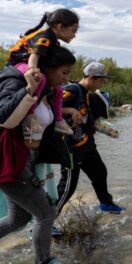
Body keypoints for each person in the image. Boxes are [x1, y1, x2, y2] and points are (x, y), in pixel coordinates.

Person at [0, 46, 76, 264]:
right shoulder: (18, 82)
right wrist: (28, 90)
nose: (66, 78)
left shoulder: (49, 92)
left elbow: (45, 125)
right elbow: (4, 118)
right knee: (46, 213)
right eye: (64, 72)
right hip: (9, 161)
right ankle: (44, 261)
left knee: (18, 218)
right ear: (48, 68)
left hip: (23, 160)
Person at [56, 62, 125, 215]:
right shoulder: (72, 90)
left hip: (86, 144)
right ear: (92, 78)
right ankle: (44, 222)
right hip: (71, 147)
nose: (103, 83)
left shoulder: (86, 92)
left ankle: (106, 204)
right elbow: (50, 106)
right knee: (68, 186)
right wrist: (71, 110)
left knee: (100, 172)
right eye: (102, 80)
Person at [8, 8, 80, 135]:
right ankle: (30, 116)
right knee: (40, 79)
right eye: (73, 31)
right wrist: (32, 70)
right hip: (19, 62)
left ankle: (58, 120)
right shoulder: (45, 37)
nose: (74, 35)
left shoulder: (54, 42)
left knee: (58, 90)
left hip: (29, 62)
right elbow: (34, 56)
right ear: (60, 27)